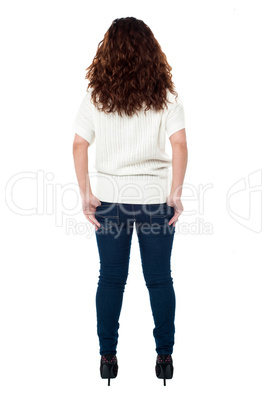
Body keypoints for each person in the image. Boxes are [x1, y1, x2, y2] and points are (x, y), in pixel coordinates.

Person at [72, 17, 188, 386]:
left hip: (110, 202)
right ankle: (165, 358)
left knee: (110, 280)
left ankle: (108, 358)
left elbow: (79, 144)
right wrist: (175, 193)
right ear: (151, 50)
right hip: (155, 201)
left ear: (107, 51)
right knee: (159, 280)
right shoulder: (166, 94)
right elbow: (180, 144)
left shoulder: (96, 96)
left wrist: (86, 193)